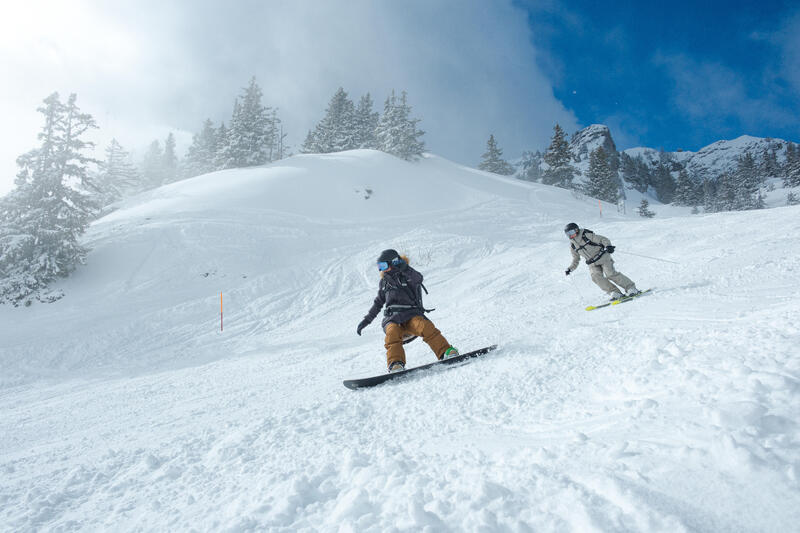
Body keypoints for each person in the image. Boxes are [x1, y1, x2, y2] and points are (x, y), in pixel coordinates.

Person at [357, 249, 459, 373]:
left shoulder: (406, 275)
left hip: (411, 315)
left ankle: (445, 352)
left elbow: (418, 279)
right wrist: (366, 321)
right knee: (392, 333)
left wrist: (405, 268)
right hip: (392, 319)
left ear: (393, 262)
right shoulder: (384, 282)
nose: (381, 269)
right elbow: (378, 303)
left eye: (383, 265)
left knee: (425, 326)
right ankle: (396, 364)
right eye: (379, 267)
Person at [563, 222, 641, 300]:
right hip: (592, 263)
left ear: (576, 230)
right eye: (568, 234)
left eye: (571, 232)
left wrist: (608, 246)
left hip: (603, 257)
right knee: (596, 277)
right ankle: (615, 292)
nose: (570, 235)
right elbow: (576, 259)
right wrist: (570, 268)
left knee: (610, 274)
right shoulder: (572, 245)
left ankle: (631, 288)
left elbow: (603, 239)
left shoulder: (586, 235)